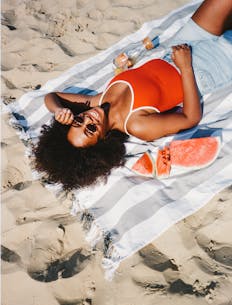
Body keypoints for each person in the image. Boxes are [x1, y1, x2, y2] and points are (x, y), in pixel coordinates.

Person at [34, 0, 232, 191]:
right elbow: (190, 118)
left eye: (78, 121)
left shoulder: (97, 102)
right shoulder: (137, 124)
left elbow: (51, 97)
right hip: (204, 69)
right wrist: (185, 67)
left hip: (181, 45)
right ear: (103, 140)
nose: (88, 118)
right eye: (91, 129)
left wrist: (59, 110)